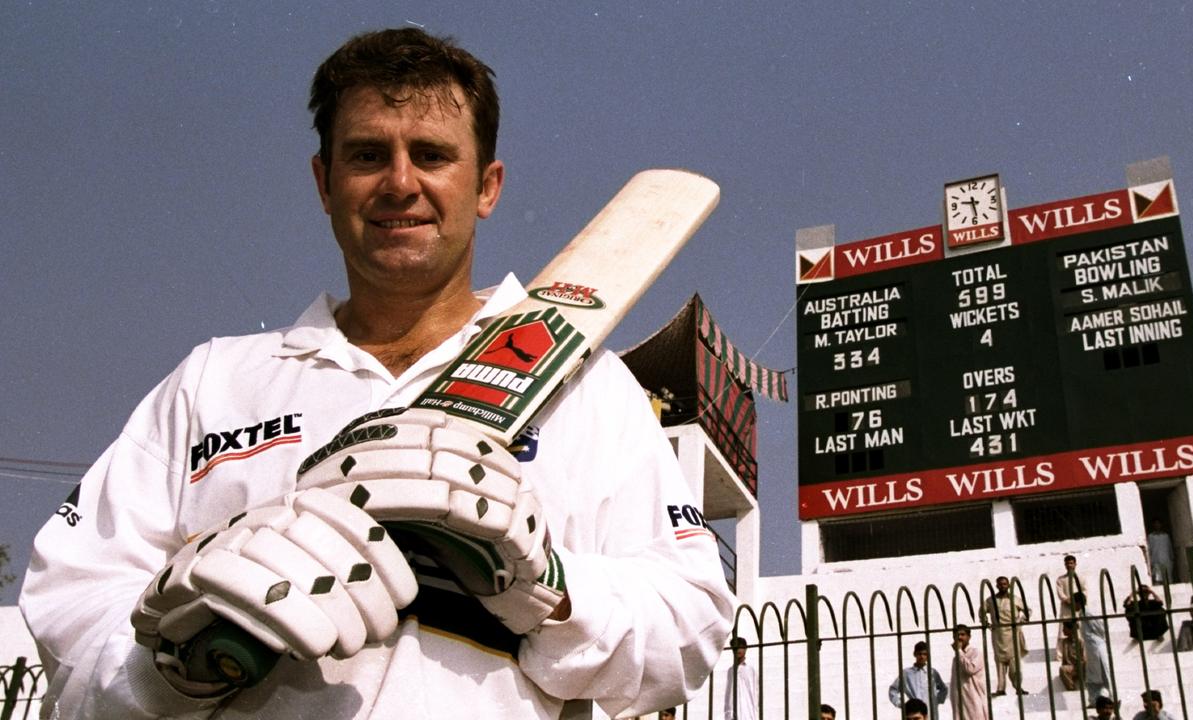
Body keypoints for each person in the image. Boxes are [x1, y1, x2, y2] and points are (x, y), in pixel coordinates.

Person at [18, 27, 733, 720]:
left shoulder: (588, 385)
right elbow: (70, 601)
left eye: (430, 154)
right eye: (367, 155)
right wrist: (173, 657)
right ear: (324, 183)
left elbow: (689, 624)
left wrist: (548, 582)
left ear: (486, 186)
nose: (400, 183)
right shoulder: (214, 382)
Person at [980, 575, 1029, 696]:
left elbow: (1027, 611)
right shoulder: (991, 600)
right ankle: (1001, 688)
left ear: (1009, 585)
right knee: (1000, 662)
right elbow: (982, 611)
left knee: (1014, 663)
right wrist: (986, 623)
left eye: (1004, 584)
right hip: (998, 634)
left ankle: (1018, 687)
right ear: (996, 585)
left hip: (1012, 633)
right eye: (1000, 584)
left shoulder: (1015, 599)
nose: (1002, 586)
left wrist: (1021, 621)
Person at [888, 641, 948, 714]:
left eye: (925, 654)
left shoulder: (932, 672)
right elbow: (893, 689)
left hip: (930, 710)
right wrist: (901, 704)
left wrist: (937, 700)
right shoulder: (906, 673)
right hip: (914, 711)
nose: (922, 657)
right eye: (919, 654)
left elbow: (943, 689)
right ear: (914, 654)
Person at [1075, 593, 1112, 705]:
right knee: (1091, 677)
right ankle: (1093, 700)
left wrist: (1095, 638)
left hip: (1097, 647)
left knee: (1104, 673)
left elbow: (1100, 628)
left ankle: (1111, 697)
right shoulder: (1081, 613)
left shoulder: (1087, 612)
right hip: (1090, 648)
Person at [950, 625, 989, 720]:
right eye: (956, 635)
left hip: (974, 700)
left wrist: (959, 651)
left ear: (969, 636)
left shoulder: (976, 653)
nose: (959, 637)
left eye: (962, 634)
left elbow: (970, 669)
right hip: (960, 702)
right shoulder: (956, 658)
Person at [724, 637, 758, 720]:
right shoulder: (731, 671)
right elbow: (729, 694)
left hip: (748, 712)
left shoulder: (751, 668)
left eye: (741, 647)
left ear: (745, 649)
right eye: (735, 647)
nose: (738, 649)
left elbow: (756, 691)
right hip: (733, 714)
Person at [1057, 555, 1087, 620]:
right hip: (1066, 609)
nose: (1069, 565)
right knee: (1066, 628)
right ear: (1065, 565)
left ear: (1075, 564)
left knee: (1079, 627)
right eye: (1067, 563)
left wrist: (1080, 603)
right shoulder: (1061, 579)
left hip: (1078, 607)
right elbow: (1060, 593)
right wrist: (1069, 601)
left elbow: (1084, 591)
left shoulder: (1080, 578)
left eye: (1071, 563)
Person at [1058, 619, 1085, 691]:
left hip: (1080, 666)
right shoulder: (1065, 642)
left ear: (1071, 630)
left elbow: (1084, 658)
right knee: (1062, 669)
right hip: (1072, 667)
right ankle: (1072, 687)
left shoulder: (1080, 642)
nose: (1063, 630)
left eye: (1065, 628)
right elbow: (1064, 659)